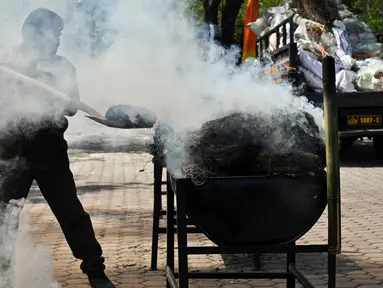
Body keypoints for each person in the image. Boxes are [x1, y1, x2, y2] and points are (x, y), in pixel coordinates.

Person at [0, 8, 115, 288]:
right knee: (4, 215)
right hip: (12, 148)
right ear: (32, 33)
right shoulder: (10, 62)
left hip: (49, 148)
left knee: (70, 212)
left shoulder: (63, 66)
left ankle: (95, 271)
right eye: (54, 34)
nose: (57, 41)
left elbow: (72, 106)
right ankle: (3, 275)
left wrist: (53, 87)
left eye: (59, 35)